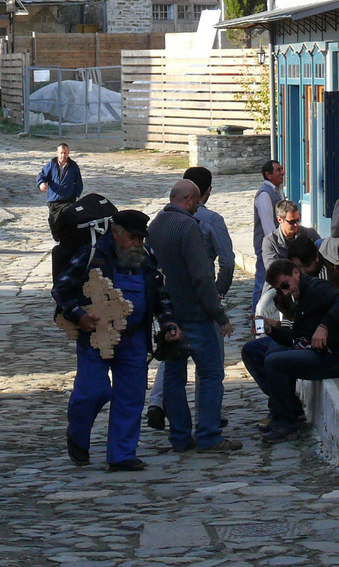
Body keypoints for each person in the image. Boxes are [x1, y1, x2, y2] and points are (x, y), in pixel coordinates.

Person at [54, 209, 181, 472]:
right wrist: (79, 316)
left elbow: (160, 294)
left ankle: (122, 455)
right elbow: (62, 288)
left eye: (140, 239)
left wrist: (168, 322)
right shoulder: (92, 256)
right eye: (131, 238)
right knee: (93, 391)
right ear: (115, 233)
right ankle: (77, 435)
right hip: (96, 337)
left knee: (131, 396)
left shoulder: (147, 259)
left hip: (134, 340)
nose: (136, 244)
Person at [148, 179, 242, 454]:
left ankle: (179, 436)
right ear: (189, 199)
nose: (198, 207)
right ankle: (209, 435)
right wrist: (219, 314)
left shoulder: (156, 225)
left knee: (175, 377)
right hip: (196, 315)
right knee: (211, 374)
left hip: (169, 316)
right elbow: (202, 276)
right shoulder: (189, 227)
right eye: (197, 202)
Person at [241, 259, 339, 444]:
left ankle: (286, 423)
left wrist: (324, 326)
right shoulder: (300, 297)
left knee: (274, 361)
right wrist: (271, 330)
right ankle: (291, 408)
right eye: (281, 290)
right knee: (253, 350)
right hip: (308, 346)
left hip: (334, 355)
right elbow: (295, 335)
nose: (285, 292)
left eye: (285, 286)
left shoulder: (317, 288)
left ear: (296, 274)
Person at [252, 160, 286, 314]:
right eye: (278, 170)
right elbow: (268, 227)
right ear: (268, 175)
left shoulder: (278, 191)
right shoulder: (265, 195)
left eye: (281, 169)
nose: (282, 173)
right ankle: (256, 319)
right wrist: (277, 247)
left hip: (276, 246)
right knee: (262, 282)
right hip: (267, 247)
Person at [259, 201, 320, 272]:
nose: (296, 224)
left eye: (298, 220)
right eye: (292, 222)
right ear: (280, 220)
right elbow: (273, 271)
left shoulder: (310, 234)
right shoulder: (270, 242)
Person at [38, 143, 84, 223]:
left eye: (65, 153)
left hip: (68, 201)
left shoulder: (73, 166)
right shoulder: (51, 164)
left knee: (66, 223)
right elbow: (42, 175)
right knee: (54, 223)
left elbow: (79, 183)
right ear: (57, 153)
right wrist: (41, 183)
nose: (63, 155)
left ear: (68, 153)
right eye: (61, 153)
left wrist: (74, 196)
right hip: (54, 200)